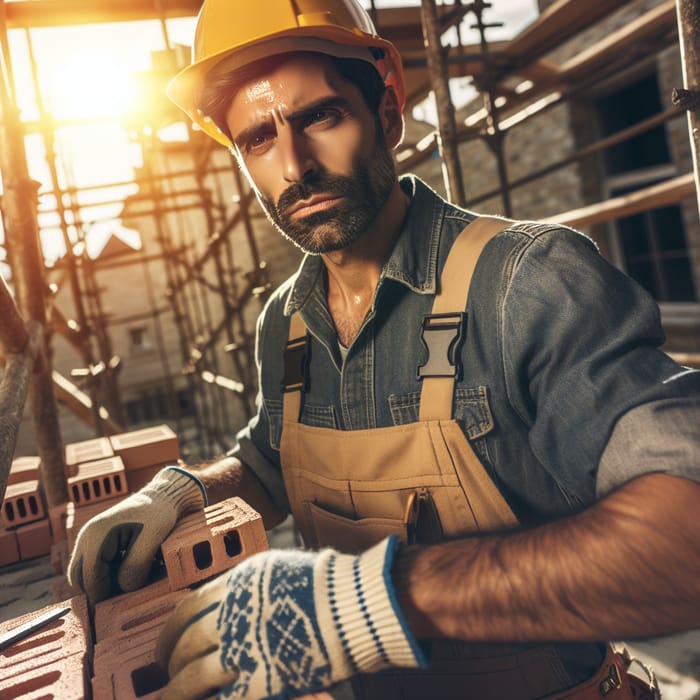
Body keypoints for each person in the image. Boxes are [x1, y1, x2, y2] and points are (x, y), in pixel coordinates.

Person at [67, 1, 700, 698]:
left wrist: (377, 597)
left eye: (320, 118)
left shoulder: (526, 282)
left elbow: (688, 539)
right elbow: (271, 460)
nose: (293, 166)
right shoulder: (287, 322)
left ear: (388, 112)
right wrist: (186, 490)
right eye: (256, 138)